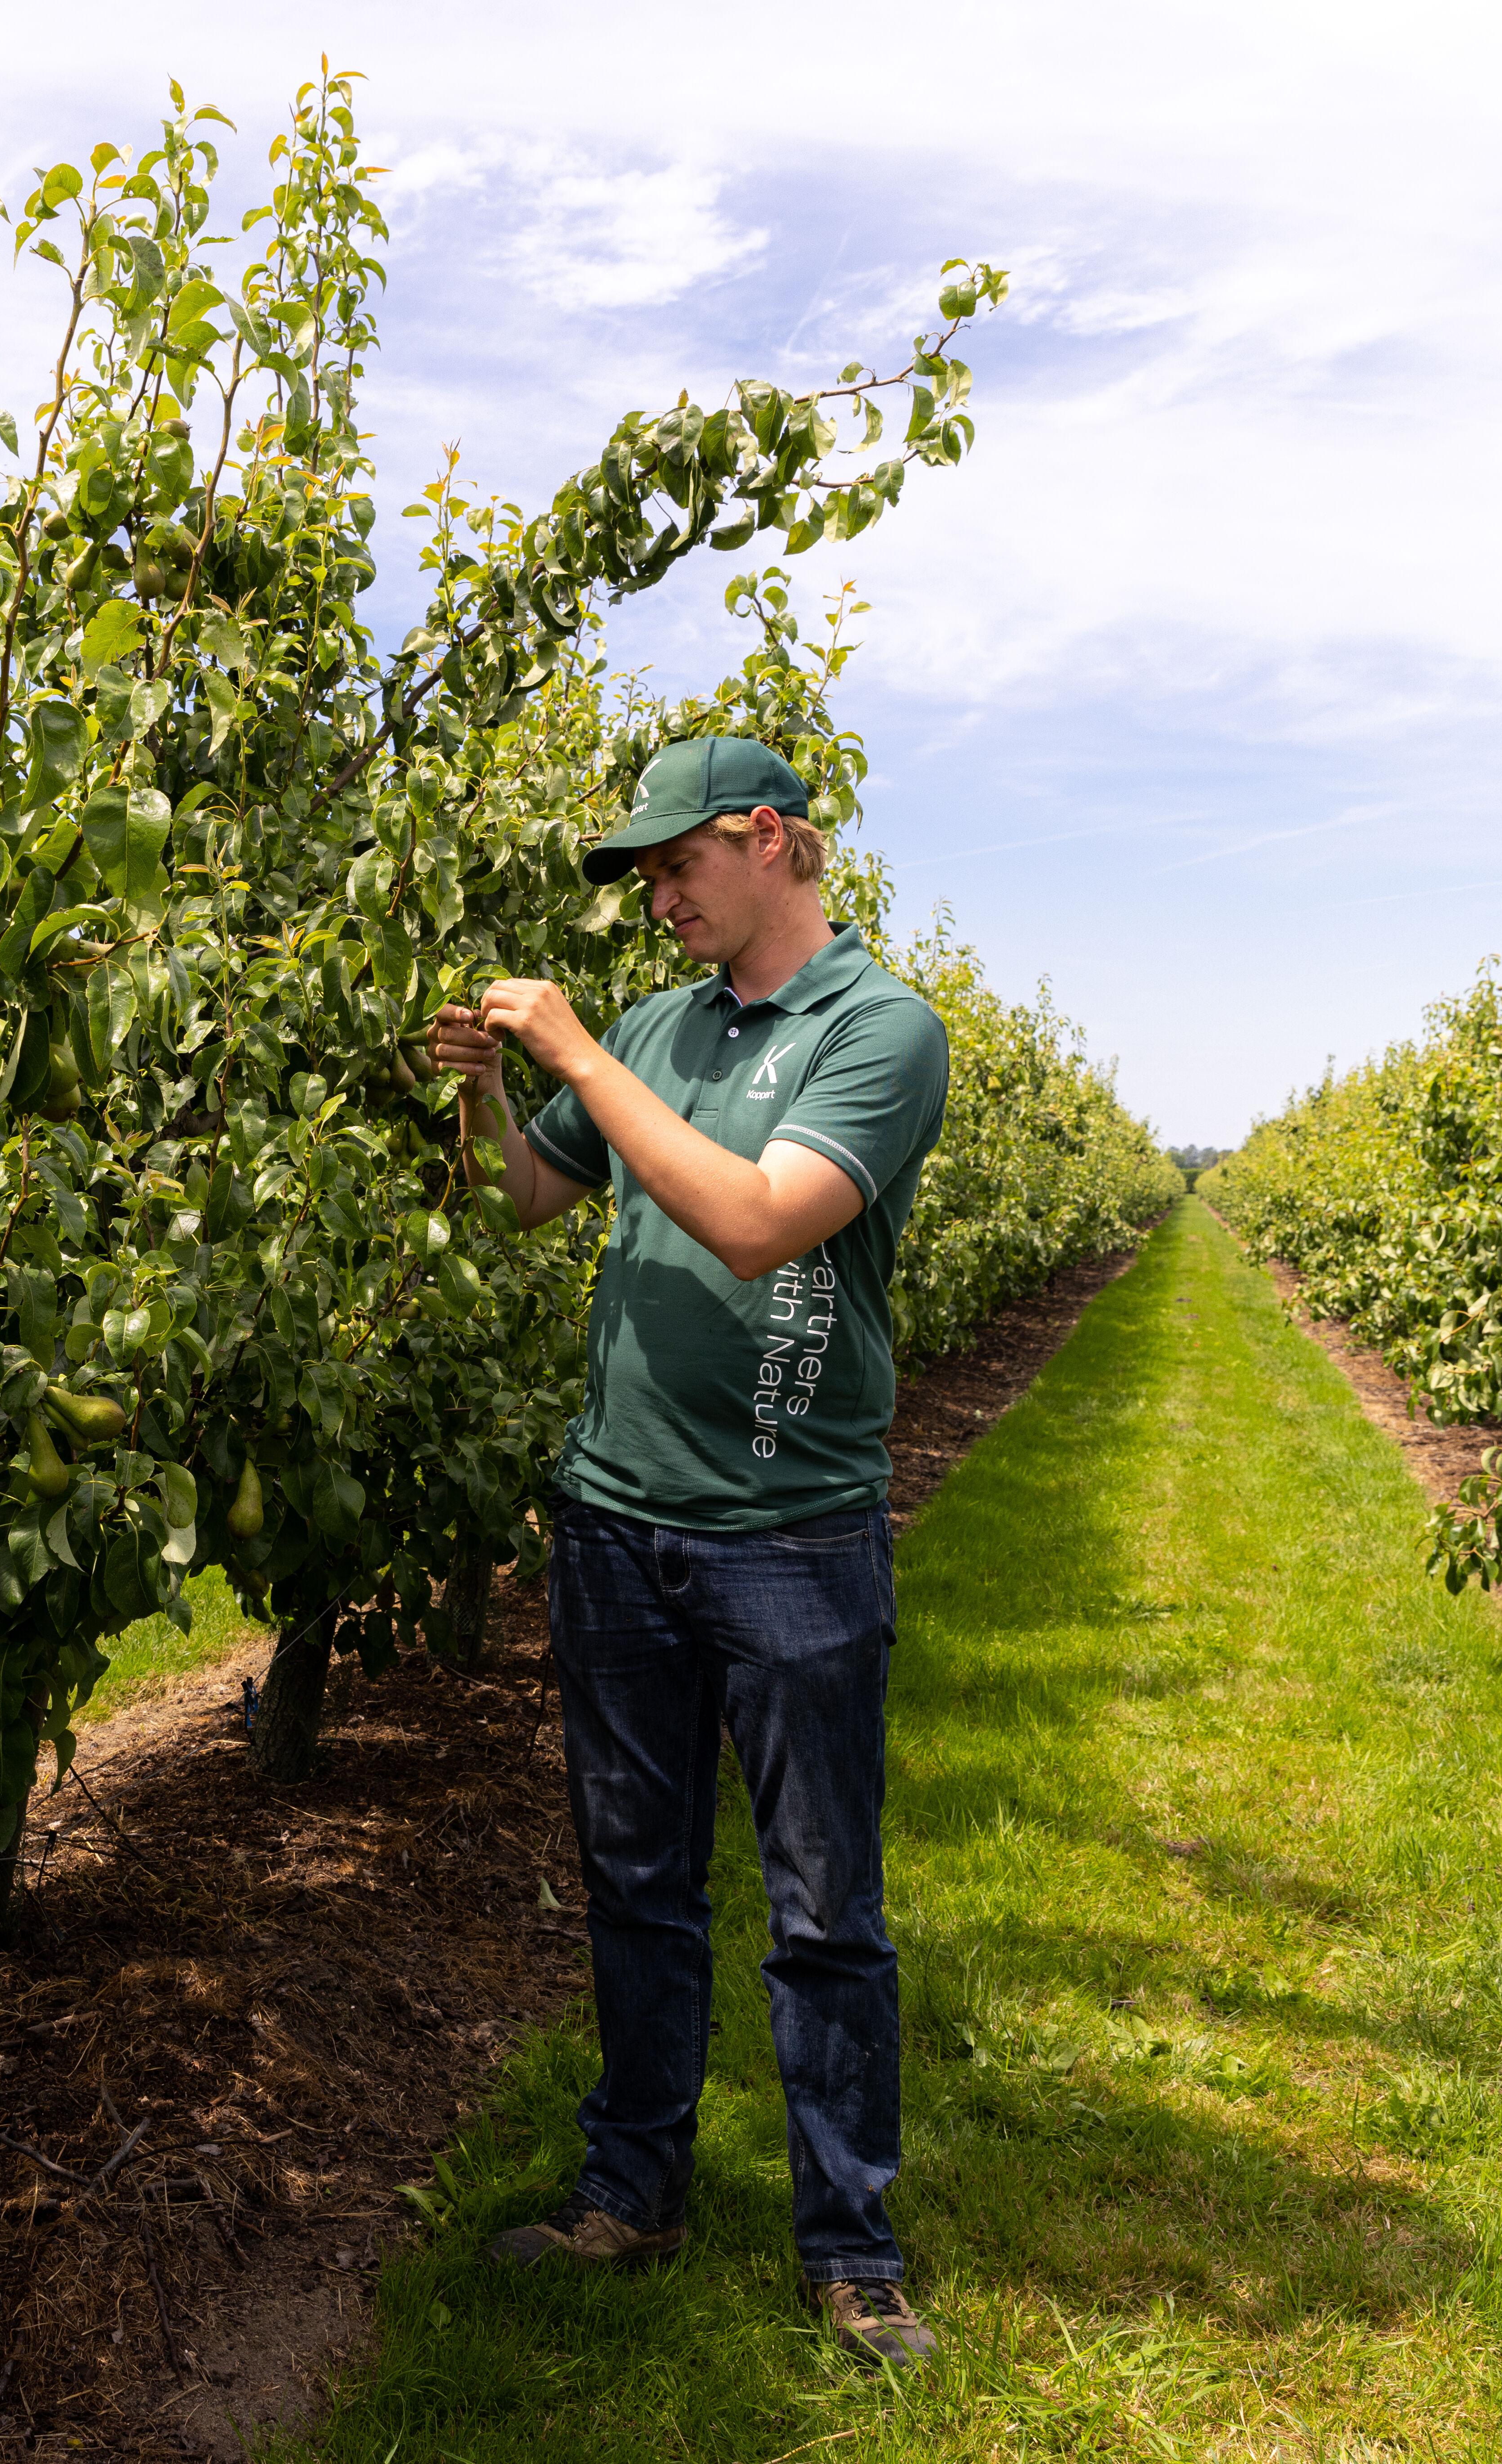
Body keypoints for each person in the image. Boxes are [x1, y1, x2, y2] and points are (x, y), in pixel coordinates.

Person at [428, 734, 951, 2370]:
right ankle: (629, 2196)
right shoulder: (657, 1028)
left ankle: (850, 2253)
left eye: (675, 867)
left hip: (789, 1538)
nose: (653, 898)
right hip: (615, 1523)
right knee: (635, 1887)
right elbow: (519, 1197)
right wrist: (477, 1084)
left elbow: (751, 1223)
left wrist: (577, 1052)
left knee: (821, 1910)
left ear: (771, 842)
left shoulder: (878, 1029)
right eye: (643, 876)